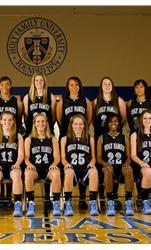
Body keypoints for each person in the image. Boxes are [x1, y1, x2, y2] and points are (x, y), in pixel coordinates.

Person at [56, 76, 92, 209]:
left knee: (83, 164)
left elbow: (88, 119)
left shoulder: (85, 101)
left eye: (76, 85)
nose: (74, 87)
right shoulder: (62, 102)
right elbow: (59, 120)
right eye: (71, 85)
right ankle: (67, 200)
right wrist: (68, 133)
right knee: (68, 168)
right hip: (67, 137)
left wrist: (81, 131)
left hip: (82, 136)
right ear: (67, 87)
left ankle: (83, 198)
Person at [127, 79, 151, 207]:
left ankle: (148, 191)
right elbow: (128, 120)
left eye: (141, 87)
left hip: (149, 137)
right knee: (137, 165)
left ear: (145, 89)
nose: (139, 89)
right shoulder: (130, 103)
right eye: (136, 87)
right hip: (135, 137)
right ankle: (140, 193)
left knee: (150, 164)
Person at [92, 76, 126, 205]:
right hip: (101, 136)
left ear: (112, 86)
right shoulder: (96, 101)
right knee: (102, 165)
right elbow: (93, 121)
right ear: (101, 86)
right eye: (104, 84)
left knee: (115, 165)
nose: (107, 86)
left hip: (115, 137)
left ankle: (114, 196)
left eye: (109, 83)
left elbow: (122, 119)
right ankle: (101, 194)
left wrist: (113, 128)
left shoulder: (119, 101)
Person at [60, 114, 99, 216]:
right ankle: (67, 203)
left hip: (85, 167)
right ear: (71, 125)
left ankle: (93, 202)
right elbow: (63, 158)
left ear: (84, 125)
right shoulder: (65, 139)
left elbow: (94, 157)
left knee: (94, 171)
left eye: (80, 124)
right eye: (76, 124)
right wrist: (66, 164)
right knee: (68, 172)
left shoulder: (89, 139)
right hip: (72, 168)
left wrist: (92, 163)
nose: (78, 126)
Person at [97, 114, 134, 216]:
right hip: (108, 167)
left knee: (129, 170)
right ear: (107, 124)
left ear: (119, 123)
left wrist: (127, 163)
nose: (113, 123)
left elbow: (129, 156)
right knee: (108, 170)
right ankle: (110, 202)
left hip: (120, 167)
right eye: (111, 122)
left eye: (116, 121)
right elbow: (99, 158)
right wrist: (105, 164)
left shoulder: (124, 138)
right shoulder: (101, 138)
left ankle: (128, 202)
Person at [24, 113, 61, 216]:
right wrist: (28, 164)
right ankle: (31, 203)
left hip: (48, 167)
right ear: (34, 124)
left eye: (43, 121)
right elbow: (26, 157)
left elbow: (57, 156)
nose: (41, 124)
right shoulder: (29, 139)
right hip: (35, 168)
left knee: (56, 173)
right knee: (28, 173)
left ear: (46, 123)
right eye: (38, 121)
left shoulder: (52, 139)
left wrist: (54, 164)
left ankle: (56, 202)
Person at [0, 111, 24, 217]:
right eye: (4, 120)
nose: (7, 122)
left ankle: (17, 204)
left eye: (10, 120)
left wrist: (17, 163)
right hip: (0, 165)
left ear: (13, 121)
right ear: (0, 121)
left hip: (13, 166)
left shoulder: (18, 136)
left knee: (17, 174)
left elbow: (21, 153)